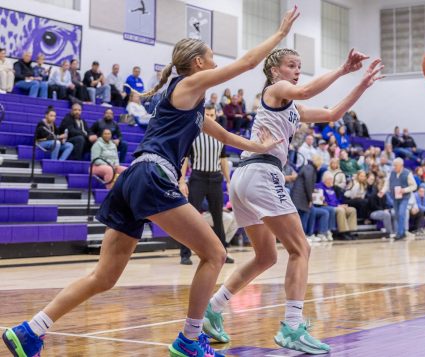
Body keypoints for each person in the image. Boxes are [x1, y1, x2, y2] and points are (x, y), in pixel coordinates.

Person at [1, 6, 298, 356]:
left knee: (104, 277)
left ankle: (30, 330)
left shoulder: (187, 102)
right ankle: (189, 339)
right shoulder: (189, 83)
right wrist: (279, 35)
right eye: (213, 58)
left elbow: (219, 133)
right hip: (152, 176)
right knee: (215, 254)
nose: (217, 64)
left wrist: (255, 145)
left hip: (134, 177)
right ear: (199, 63)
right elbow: (248, 63)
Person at [204, 43, 382, 353]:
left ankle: (213, 309)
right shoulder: (277, 89)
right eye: (291, 64)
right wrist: (343, 69)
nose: (297, 70)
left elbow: (332, 113)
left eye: (299, 66)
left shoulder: (290, 108)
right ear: (275, 71)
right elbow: (306, 92)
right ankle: (292, 327)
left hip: (245, 177)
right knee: (301, 248)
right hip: (261, 173)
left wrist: (362, 85)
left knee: (266, 256)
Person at [178, 106, 234, 265]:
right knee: (190, 218)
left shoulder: (220, 135)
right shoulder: (193, 134)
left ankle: (222, 252)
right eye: (206, 115)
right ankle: (185, 254)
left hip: (216, 179)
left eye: (212, 115)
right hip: (198, 178)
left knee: (218, 218)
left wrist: (228, 181)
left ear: (216, 116)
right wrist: (181, 181)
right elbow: (185, 160)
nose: (209, 117)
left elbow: (223, 159)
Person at [381, 158, 417, 240]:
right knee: (397, 215)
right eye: (394, 165)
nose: (394, 167)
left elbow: (414, 186)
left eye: (396, 165)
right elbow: (387, 183)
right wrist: (383, 191)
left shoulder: (407, 173)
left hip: (404, 197)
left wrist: (404, 190)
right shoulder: (391, 173)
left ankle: (399, 234)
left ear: (401, 166)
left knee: (401, 213)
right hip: (395, 197)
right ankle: (403, 232)